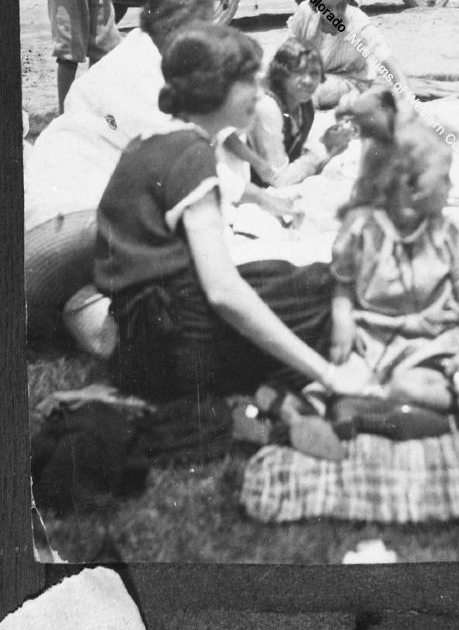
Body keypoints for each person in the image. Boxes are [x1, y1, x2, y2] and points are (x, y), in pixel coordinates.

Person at [94, 24, 366, 404]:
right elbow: (223, 292)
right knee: (323, 291)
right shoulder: (192, 157)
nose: (258, 92)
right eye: (249, 82)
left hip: (136, 343)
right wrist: (326, 373)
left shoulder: (148, 142)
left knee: (288, 276)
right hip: (178, 349)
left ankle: (279, 389)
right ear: (214, 86)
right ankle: (309, 385)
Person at [24, 0, 218, 344]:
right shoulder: (149, 81)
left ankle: (87, 310)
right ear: (178, 29)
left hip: (41, 221)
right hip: (70, 228)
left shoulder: (126, 58)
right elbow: (186, 168)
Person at [329, 119, 459, 415]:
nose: (450, 186)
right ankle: (384, 405)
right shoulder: (362, 228)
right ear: (408, 184)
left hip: (432, 343)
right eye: (444, 179)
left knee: (411, 386)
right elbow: (343, 282)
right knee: (338, 376)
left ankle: (390, 403)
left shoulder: (448, 235)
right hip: (374, 340)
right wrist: (342, 320)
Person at [286, 0, 410, 109]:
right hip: (313, 75)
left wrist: (406, 95)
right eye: (327, 7)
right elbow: (288, 51)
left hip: (350, 79)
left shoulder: (357, 21)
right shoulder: (305, 13)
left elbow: (385, 56)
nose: (336, 13)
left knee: (307, 92)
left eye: (341, 5)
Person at [247, 38, 354, 187]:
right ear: (281, 75)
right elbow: (278, 180)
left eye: (314, 73)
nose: (308, 81)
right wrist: (324, 146)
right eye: (298, 72)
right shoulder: (268, 107)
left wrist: (330, 138)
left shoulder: (304, 103)